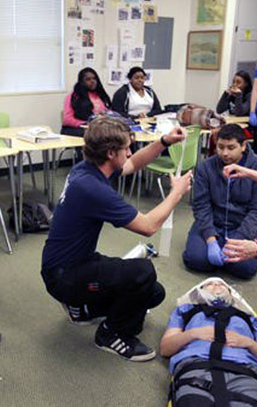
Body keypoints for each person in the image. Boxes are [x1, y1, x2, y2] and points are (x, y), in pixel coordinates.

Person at [41, 116, 192, 361]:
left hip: (70, 266)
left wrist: (163, 142)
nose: (130, 152)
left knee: (153, 293)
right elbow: (149, 226)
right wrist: (176, 193)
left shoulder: (87, 168)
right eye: (126, 148)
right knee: (143, 272)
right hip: (64, 277)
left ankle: (83, 309)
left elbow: (132, 164)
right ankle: (111, 334)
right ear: (111, 153)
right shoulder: (93, 189)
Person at [160, 278, 257, 406]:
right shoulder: (186, 310)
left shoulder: (249, 318)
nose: (216, 285)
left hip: (244, 370)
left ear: (231, 292)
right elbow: (165, 349)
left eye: (222, 284)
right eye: (209, 284)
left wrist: (249, 343)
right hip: (198, 364)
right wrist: (193, 334)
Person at [183, 124, 257, 279]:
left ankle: (227, 253)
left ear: (243, 146)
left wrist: (238, 240)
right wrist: (210, 239)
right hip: (213, 221)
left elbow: (255, 211)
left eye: (231, 147)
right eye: (220, 147)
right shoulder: (205, 167)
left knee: (245, 269)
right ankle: (215, 247)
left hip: (241, 225)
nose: (225, 153)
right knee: (195, 260)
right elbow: (201, 206)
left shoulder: (254, 169)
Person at [61, 67, 112, 138]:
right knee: (100, 135)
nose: (92, 81)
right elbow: (67, 120)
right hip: (78, 129)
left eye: (94, 78)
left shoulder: (101, 95)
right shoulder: (74, 96)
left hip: (99, 127)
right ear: (81, 82)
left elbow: (108, 112)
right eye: (88, 79)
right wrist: (86, 123)